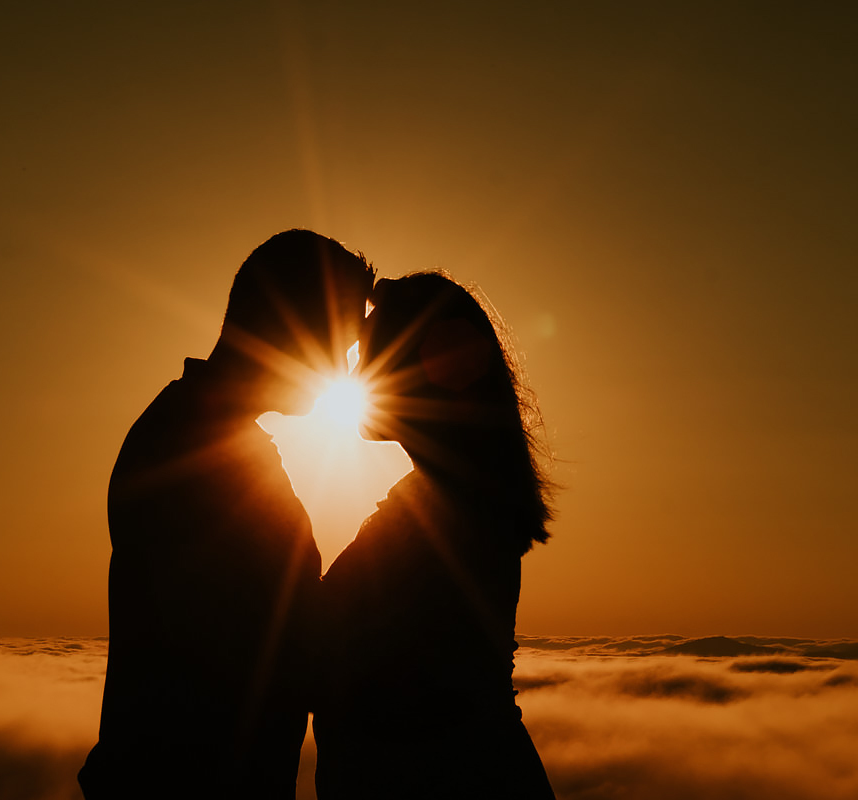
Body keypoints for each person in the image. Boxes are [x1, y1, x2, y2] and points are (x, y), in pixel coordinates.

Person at [79, 230, 375, 799]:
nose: (344, 368)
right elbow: (254, 648)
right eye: (341, 344)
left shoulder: (204, 435)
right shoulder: (196, 451)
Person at [314, 272, 558, 799]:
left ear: (430, 368)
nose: (354, 370)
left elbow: (373, 685)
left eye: (372, 351)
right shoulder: (447, 503)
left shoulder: (446, 520)